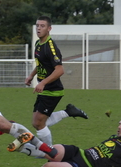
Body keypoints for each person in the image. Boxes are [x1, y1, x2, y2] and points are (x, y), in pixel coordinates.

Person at [25, 15, 88, 146]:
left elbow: (60, 70)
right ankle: (68, 112)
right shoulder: (38, 44)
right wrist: (31, 75)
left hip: (52, 90)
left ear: (49, 29)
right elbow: (41, 64)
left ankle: (49, 152)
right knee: (37, 122)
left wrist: (42, 82)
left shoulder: (51, 47)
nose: (39, 28)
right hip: (44, 89)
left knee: (39, 123)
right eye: (37, 25)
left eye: (42, 26)